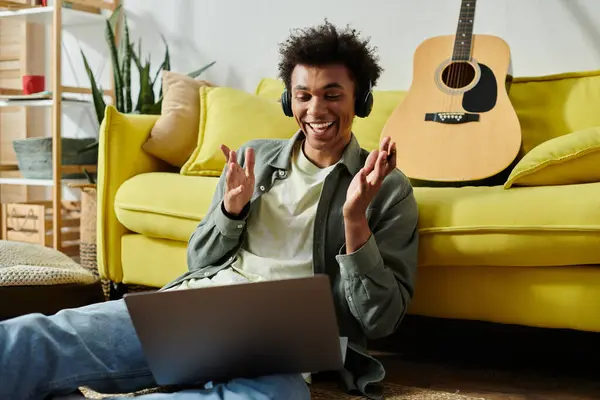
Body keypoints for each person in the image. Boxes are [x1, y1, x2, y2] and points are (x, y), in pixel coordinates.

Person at [0, 20, 419, 400]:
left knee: (278, 397)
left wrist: (354, 220)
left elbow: (380, 319)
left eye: (332, 94)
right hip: (198, 310)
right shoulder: (255, 158)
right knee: (42, 337)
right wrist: (231, 211)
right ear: (289, 101)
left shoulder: (386, 189)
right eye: (303, 95)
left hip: (278, 343)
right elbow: (199, 260)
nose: (315, 109)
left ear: (360, 100)